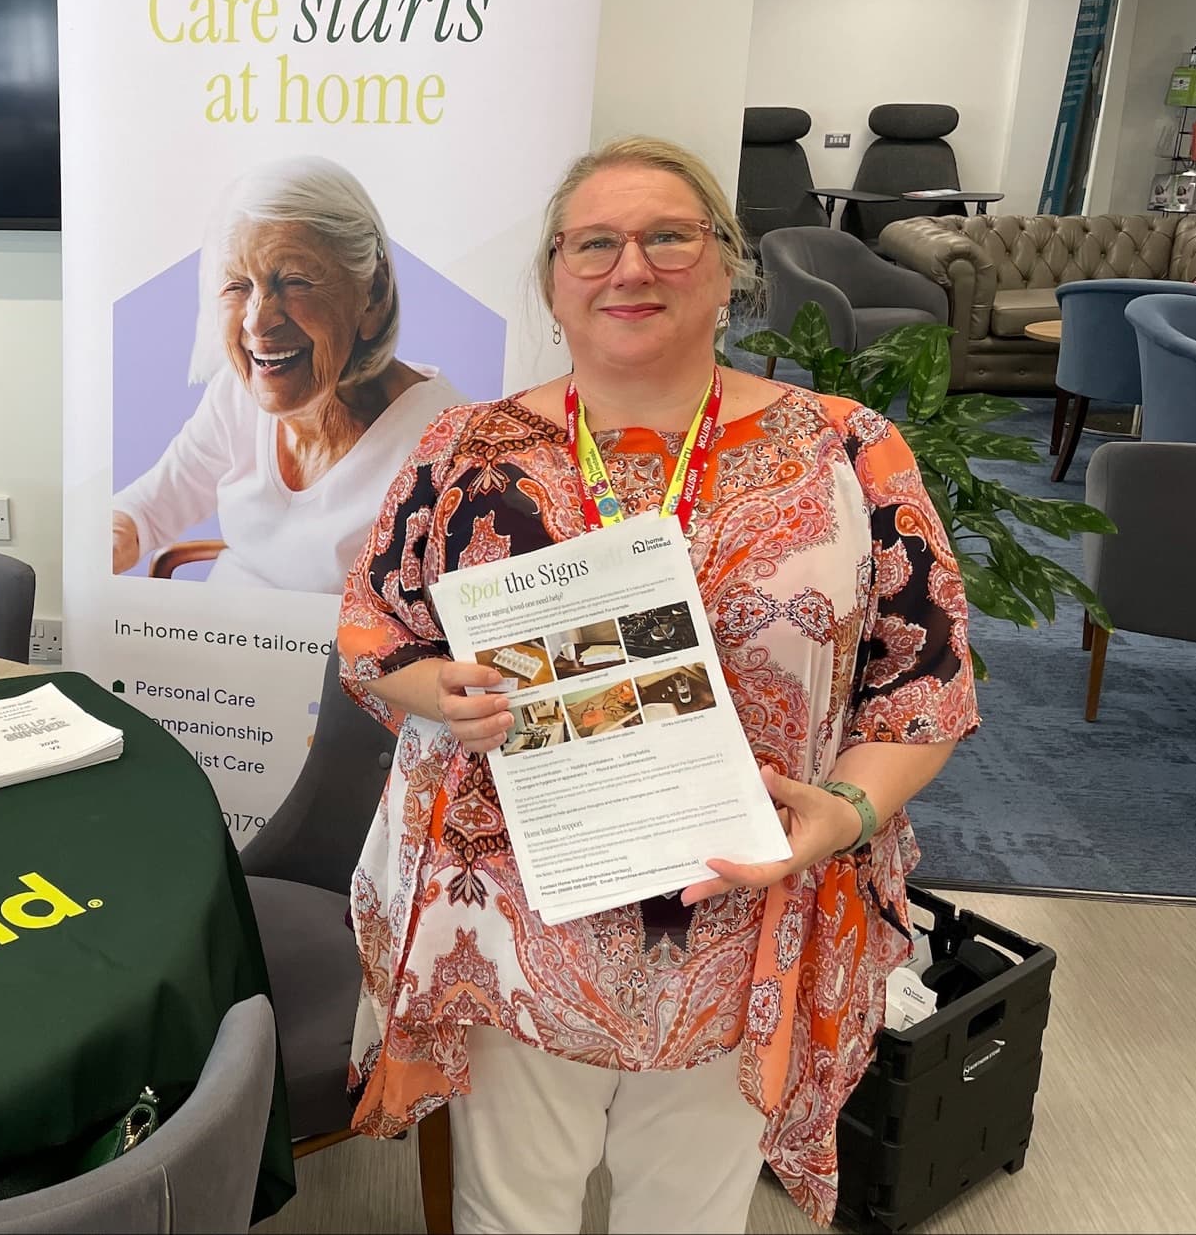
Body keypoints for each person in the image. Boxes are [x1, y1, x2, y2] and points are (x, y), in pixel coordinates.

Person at [338, 136, 977, 1234]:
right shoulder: (462, 451)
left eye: (666, 236)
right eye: (593, 242)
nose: (629, 266)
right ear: (552, 281)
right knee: (507, 1210)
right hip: (513, 923)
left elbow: (923, 684)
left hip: (744, 910)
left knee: (686, 1214)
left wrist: (851, 810)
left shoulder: (846, 452)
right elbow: (370, 627)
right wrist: (430, 690)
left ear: (725, 267)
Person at [113, 156, 462, 592]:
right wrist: (110, 539)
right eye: (237, 286)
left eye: (294, 281)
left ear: (371, 292)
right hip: (215, 644)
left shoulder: (446, 445)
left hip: (342, 660)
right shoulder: (236, 397)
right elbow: (148, 507)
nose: (258, 321)